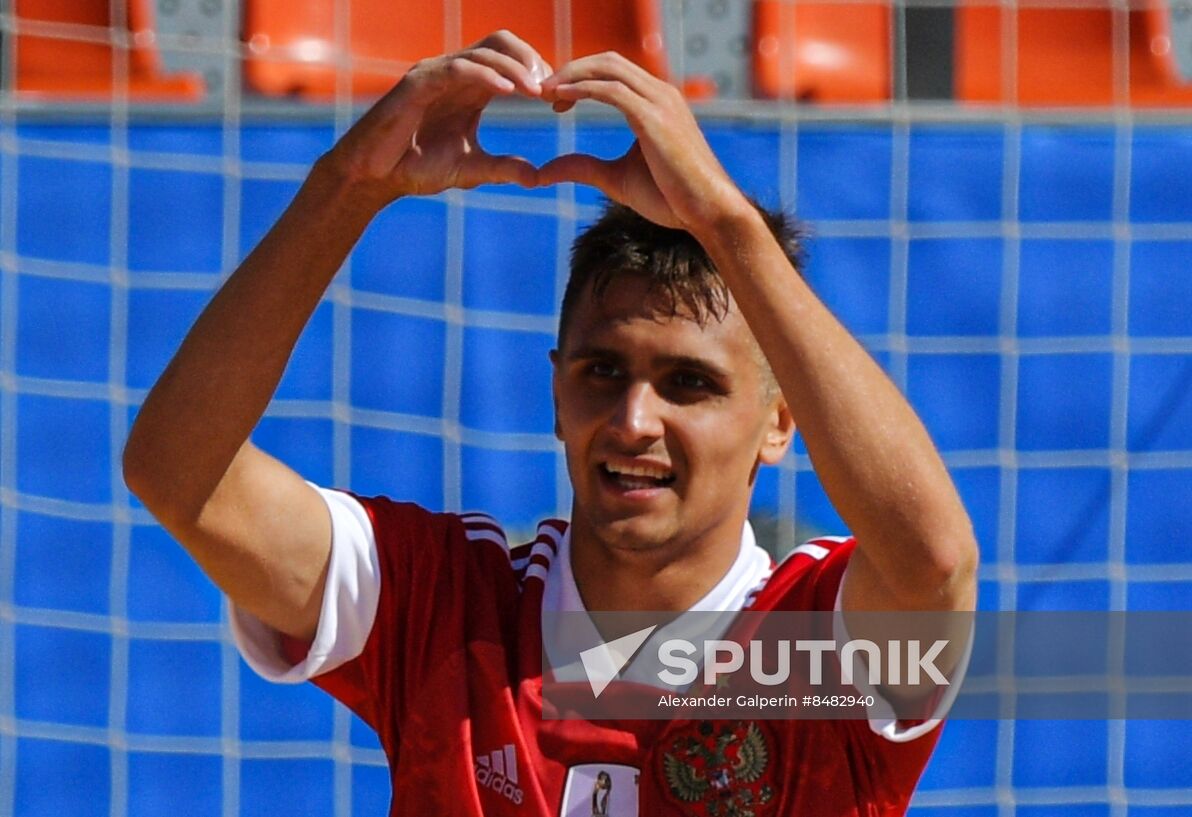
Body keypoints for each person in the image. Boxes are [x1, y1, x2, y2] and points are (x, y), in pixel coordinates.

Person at [123, 30, 978, 816]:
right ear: (557, 393)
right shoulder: (445, 604)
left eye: (689, 384)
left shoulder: (816, 648)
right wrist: (345, 188)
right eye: (602, 371)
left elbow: (936, 559)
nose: (634, 419)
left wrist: (726, 224)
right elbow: (179, 475)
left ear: (779, 423)